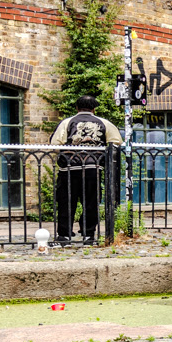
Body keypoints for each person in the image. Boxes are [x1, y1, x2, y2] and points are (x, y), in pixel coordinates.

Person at [49, 95, 121, 245]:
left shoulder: (67, 122)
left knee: (66, 201)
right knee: (91, 202)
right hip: (92, 168)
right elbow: (115, 143)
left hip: (69, 168)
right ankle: (89, 234)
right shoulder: (104, 123)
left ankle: (64, 235)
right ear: (94, 109)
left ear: (77, 108)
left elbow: (55, 144)